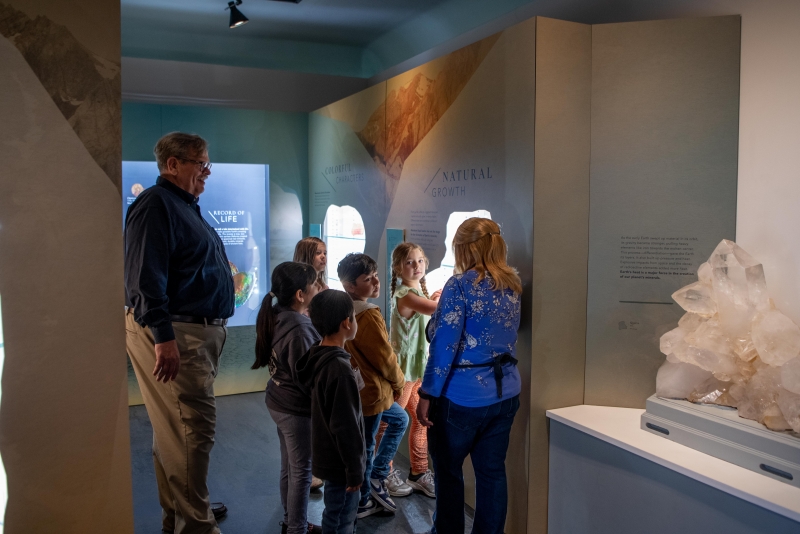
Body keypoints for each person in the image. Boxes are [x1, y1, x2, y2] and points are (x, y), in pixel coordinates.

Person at [124, 132, 232, 534]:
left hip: (191, 334)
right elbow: (144, 276)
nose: (207, 171)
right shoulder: (156, 204)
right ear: (173, 164)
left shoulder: (181, 205)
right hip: (179, 335)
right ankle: (196, 525)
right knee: (191, 431)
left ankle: (179, 517)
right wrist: (164, 336)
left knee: (175, 432)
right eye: (200, 162)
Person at [416, 218, 523, 534]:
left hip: (462, 397)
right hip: (506, 392)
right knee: (492, 472)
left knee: (449, 472)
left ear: (463, 248)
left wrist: (426, 394)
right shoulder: (513, 284)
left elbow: (443, 345)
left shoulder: (460, 285)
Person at [253, 262, 323, 534]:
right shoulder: (300, 328)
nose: (318, 288)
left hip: (278, 400)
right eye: (315, 284)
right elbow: (305, 376)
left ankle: (292, 520)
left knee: (290, 467)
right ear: (300, 295)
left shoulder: (277, 315)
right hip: (295, 408)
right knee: (302, 471)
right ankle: (296, 528)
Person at [337, 253, 409, 518]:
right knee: (366, 445)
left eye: (376, 275)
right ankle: (364, 498)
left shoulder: (341, 307)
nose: (377, 282)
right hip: (372, 394)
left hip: (358, 391)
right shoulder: (367, 314)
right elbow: (384, 356)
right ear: (350, 285)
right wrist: (399, 381)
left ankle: (376, 479)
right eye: (368, 279)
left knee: (398, 421)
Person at [296, 290, 365, 534]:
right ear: (346, 323)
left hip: (328, 457)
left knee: (333, 512)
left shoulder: (318, 355)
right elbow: (345, 426)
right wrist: (355, 470)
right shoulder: (339, 369)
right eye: (354, 317)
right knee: (341, 520)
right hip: (342, 465)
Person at [375, 243, 441, 498]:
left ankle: (419, 471)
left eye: (420, 261)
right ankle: (382, 472)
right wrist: (442, 298)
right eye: (410, 262)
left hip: (418, 369)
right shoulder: (404, 293)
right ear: (398, 268)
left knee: (421, 419)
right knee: (389, 422)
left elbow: (429, 307)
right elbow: (436, 310)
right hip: (404, 371)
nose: (416, 266)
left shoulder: (416, 293)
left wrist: (434, 298)